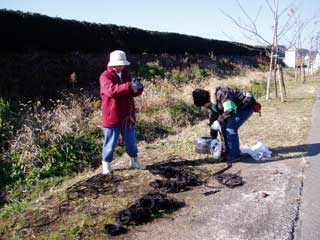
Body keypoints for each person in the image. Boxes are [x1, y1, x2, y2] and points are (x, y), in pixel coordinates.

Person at [99, 50, 146, 175]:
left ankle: (134, 161)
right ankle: (106, 166)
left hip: (128, 115)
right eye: (120, 64)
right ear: (112, 64)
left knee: (131, 141)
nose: (122, 66)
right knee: (110, 144)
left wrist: (138, 88)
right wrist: (129, 86)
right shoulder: (105, 76)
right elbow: (111, 91)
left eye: (123, 64)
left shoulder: (126, 74)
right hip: (112, 117)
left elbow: (131, 92)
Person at [192, 86, 261, 164]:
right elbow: (213, 120)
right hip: (235, 108)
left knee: (230, 128)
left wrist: (219, 121)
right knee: (224, 126)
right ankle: (228, 152)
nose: (204, 107)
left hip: (246, 105)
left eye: (203, 105)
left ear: (206, 100)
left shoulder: (222, 94)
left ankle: (234, 155)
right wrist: (213, 138)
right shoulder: (210, 105)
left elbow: (230, 110)